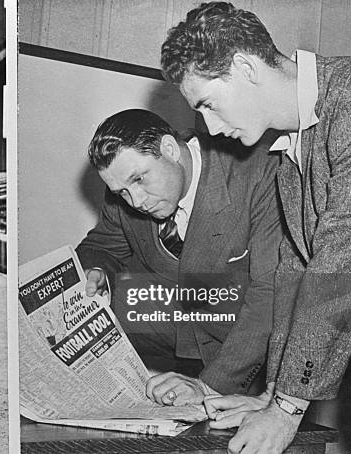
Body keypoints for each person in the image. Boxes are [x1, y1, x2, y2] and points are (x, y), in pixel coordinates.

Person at [160, 2, 351, 452]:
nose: (209, 128)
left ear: (244, 67)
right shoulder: (289, 154)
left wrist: (288, 408)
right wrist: (273, 393)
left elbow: (344, 264)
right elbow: (295, 277)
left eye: (208, 104)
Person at [76, 109, 283, 406]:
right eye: (122, 192)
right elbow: (101, 245)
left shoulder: (257, 174)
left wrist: (209, 386)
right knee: (86, 305)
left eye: (139, 180)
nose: (136, 201)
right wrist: (96, 269)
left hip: (258, 339)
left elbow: (271, 293)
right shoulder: (124, 193)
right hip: (185, 325)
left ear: (170, 149)